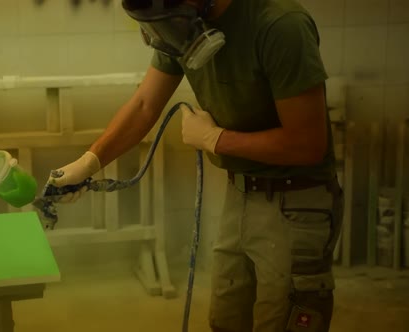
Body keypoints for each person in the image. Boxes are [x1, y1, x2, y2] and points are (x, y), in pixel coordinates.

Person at [47, 0, 344, 331]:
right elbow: (145, 104)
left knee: (282, 320)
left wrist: (217, 140)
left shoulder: (280, 25)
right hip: (240, 192)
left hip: (297, 203)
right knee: (225, 320)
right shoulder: (179, 19)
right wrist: (90, 162)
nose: (163, 31)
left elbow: (307, 144)